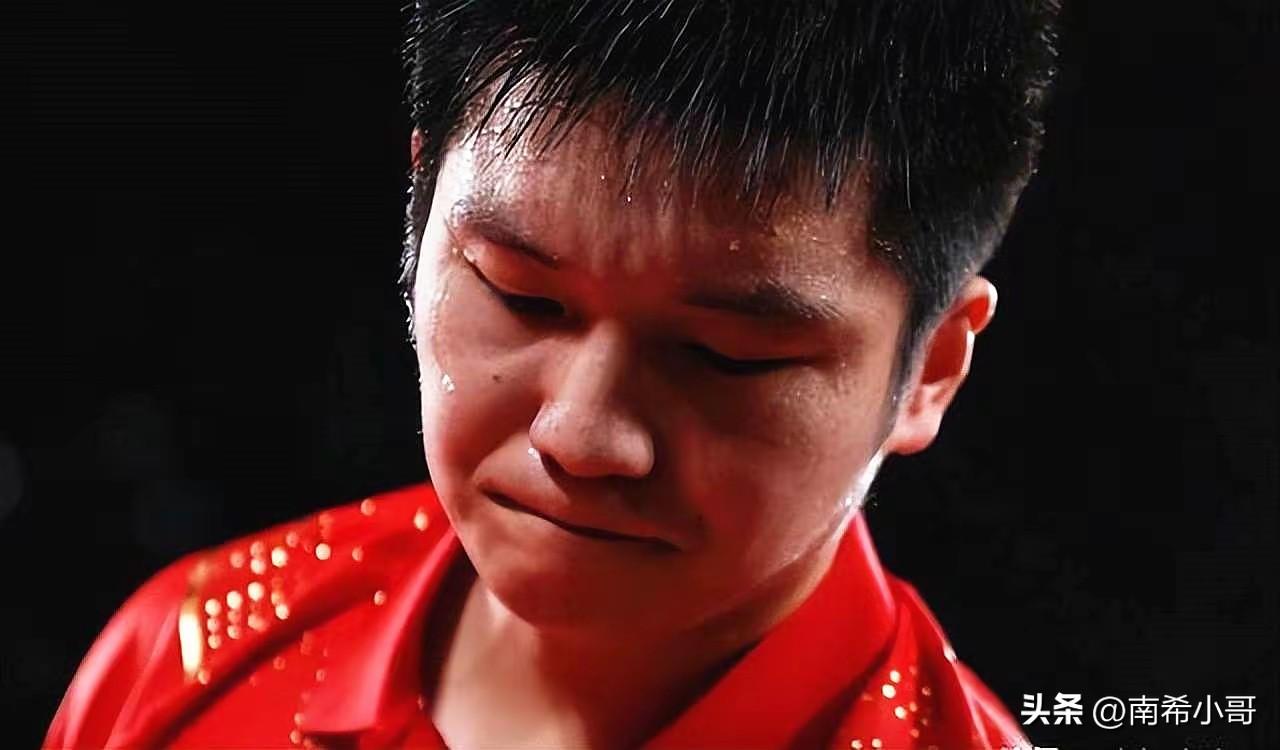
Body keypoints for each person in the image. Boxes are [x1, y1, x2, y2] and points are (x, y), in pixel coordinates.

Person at [45, 1, 1061, 748]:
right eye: (520, 296)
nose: (579, 436)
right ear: (420, 216)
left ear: (930, 369)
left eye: (724, 356)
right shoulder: (187, 658)